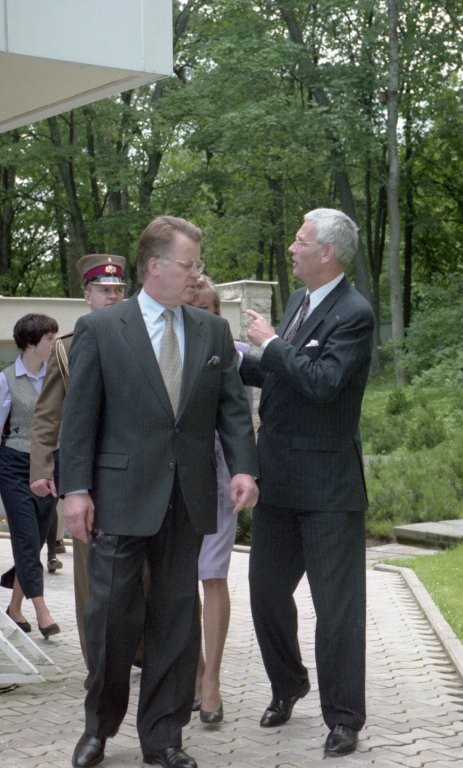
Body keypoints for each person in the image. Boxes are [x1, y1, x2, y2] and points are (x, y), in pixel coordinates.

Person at [59, 215, 259, 768]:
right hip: (120, 497)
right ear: (155, 266)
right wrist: (75, 490)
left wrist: (244, 469)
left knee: (175, 620)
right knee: (111, 619)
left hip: (187, 497)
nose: (197, 273)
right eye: (189, 264)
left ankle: (164, 737)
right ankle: (98, 728)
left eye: (197, 265)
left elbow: (231, 409)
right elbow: (79, 420)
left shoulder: (210, 330)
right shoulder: (102, 329)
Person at [240, 208, 374, 758]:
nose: (292, 248)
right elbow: (282, 375)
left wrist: (271, 343)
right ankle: (288, 683)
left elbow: (321, 383)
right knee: (266, 593)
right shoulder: (299, 300)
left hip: (328, 489)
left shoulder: (355, 313)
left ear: (328, 253)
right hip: (278, 480)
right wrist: (232, 358)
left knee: (337, 609)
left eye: (300, 241)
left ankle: (343, 718)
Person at [29, 253, 126, 669]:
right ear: (86, 295)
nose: (111, 296)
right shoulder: (66, 348)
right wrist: (41, 468)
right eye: (103, 290)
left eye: (118, 290)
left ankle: (140, 651)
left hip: (137, 472)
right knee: (90, 573)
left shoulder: (146, 338)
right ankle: (98, 662)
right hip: (87, 474)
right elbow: (48, 414)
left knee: (142, 571)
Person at [189, 276, 253, 726]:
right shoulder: (163, 350)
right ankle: (192, 673)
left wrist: (245, 471)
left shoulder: (236, 355)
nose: (204, 317)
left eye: (210, 309)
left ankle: (211, 679)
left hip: (218, 476)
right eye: (195, 309)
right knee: (178, 582)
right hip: (172, 478)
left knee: (212, 574)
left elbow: (239, 419)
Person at [0, 313, 60, 638]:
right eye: (49, 338)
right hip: (13, 464)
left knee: (34, 541)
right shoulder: (5, 380)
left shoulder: (57, 377)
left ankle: (14, 607)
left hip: (49, 465)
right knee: (25, 537)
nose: (54, 342)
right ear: (30, 343)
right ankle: (41, 609)